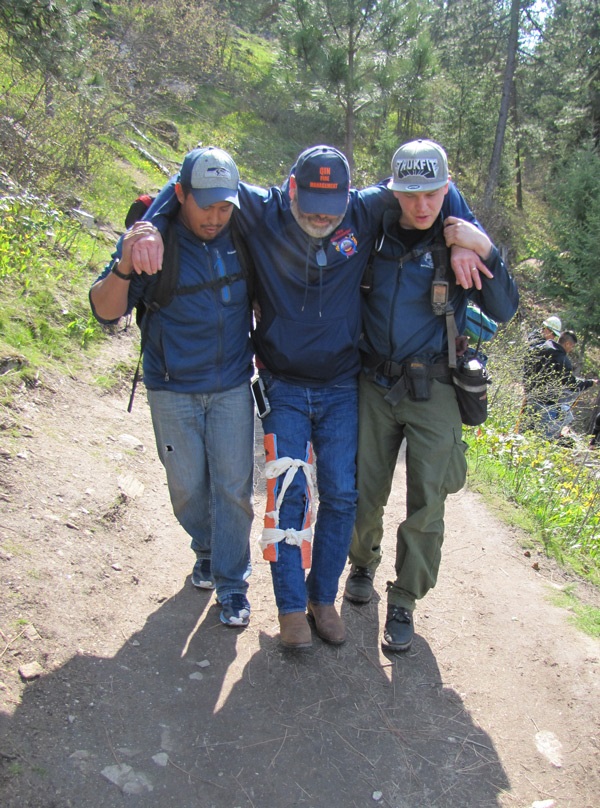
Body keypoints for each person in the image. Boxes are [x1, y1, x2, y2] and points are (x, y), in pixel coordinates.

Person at [131, 144, 488, 649]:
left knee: (343, 495)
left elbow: (429, 190)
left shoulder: (365, 208)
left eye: (333, 208)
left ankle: (324, 598)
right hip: (283, 383)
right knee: (288, 492)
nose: (322, 217)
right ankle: (291, 607)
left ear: (350, 195)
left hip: (343, 384)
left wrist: (469, 238)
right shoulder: (261, 208)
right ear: (291, 189)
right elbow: (184, 181)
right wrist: (149, 223)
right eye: (311, 206)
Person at [344, 139, 519, 653]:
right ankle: (362, 563)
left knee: (428, 502)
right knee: (362, 488)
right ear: (394, 191)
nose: (422, 206)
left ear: (447, 189)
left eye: (432, 194)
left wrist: (484, 248)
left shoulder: (460, 242)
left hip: (435, 388)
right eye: (411, 194)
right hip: (374, 384)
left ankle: (404, 599)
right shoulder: (372, 234)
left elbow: (504, 309)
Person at [89, 147, 255, 628]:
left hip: (230, 386)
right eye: (206, 205)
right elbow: (104, 310)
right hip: (171, 387)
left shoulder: (240, 234)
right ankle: (205, 547)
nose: (215, 217)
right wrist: (124, 264)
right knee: (186, 488)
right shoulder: (154, 243)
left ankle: (231, 583)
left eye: (225, 206)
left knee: (234, 490)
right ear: (180, 194)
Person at [523, 330, 598, 439]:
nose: (571, 350)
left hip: (529, 396)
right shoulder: (562, 360)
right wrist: (589, 383)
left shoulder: (542, 346)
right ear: (567, 344)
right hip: (545, 404)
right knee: (543, 437)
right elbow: (571, 384)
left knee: (526, 431)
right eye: (572, 347)